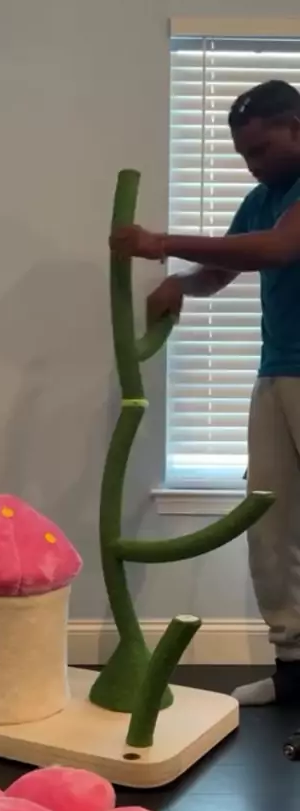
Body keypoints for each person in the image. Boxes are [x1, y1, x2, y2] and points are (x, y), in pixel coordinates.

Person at [110, 79, 300, 706]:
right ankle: (293, 670)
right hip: (276, 375)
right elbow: (222, 270)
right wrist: (181, 284)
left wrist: (161, 243)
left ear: (296, 128)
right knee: (269, 529)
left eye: (261, 149)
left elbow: (279, 248)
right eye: (243, 154)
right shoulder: (261, 198)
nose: (252, 164)